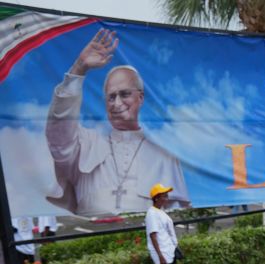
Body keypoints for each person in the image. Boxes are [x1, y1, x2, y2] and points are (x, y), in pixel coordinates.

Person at [45, 29, 189, 215]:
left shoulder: (163, 151)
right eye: (111, 97)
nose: (117, 103)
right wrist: (79, 68)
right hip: (91, 236)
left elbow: (175, 210)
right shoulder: (86, 142)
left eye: (125, 94)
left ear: (141, 98)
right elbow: (59, 131)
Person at [145, 184, 179, 264]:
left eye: (166, 196)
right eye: (164, 196)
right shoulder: (152, 214)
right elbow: (153, 235)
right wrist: (160, 256)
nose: (166, 198)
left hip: (169, 252)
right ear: (157, 198)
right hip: (164, 254)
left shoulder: (159, 211)